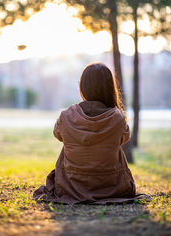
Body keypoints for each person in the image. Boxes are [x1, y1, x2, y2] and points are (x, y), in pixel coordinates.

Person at [33, 62, 136, 204]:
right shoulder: (117, 118)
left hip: (71, 187)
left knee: (68, 146)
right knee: (114, 147)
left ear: (82, 86)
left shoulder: (66, 115)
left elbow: (58, 134)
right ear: (110, 87)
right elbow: (124, 138)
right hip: (110, 186)